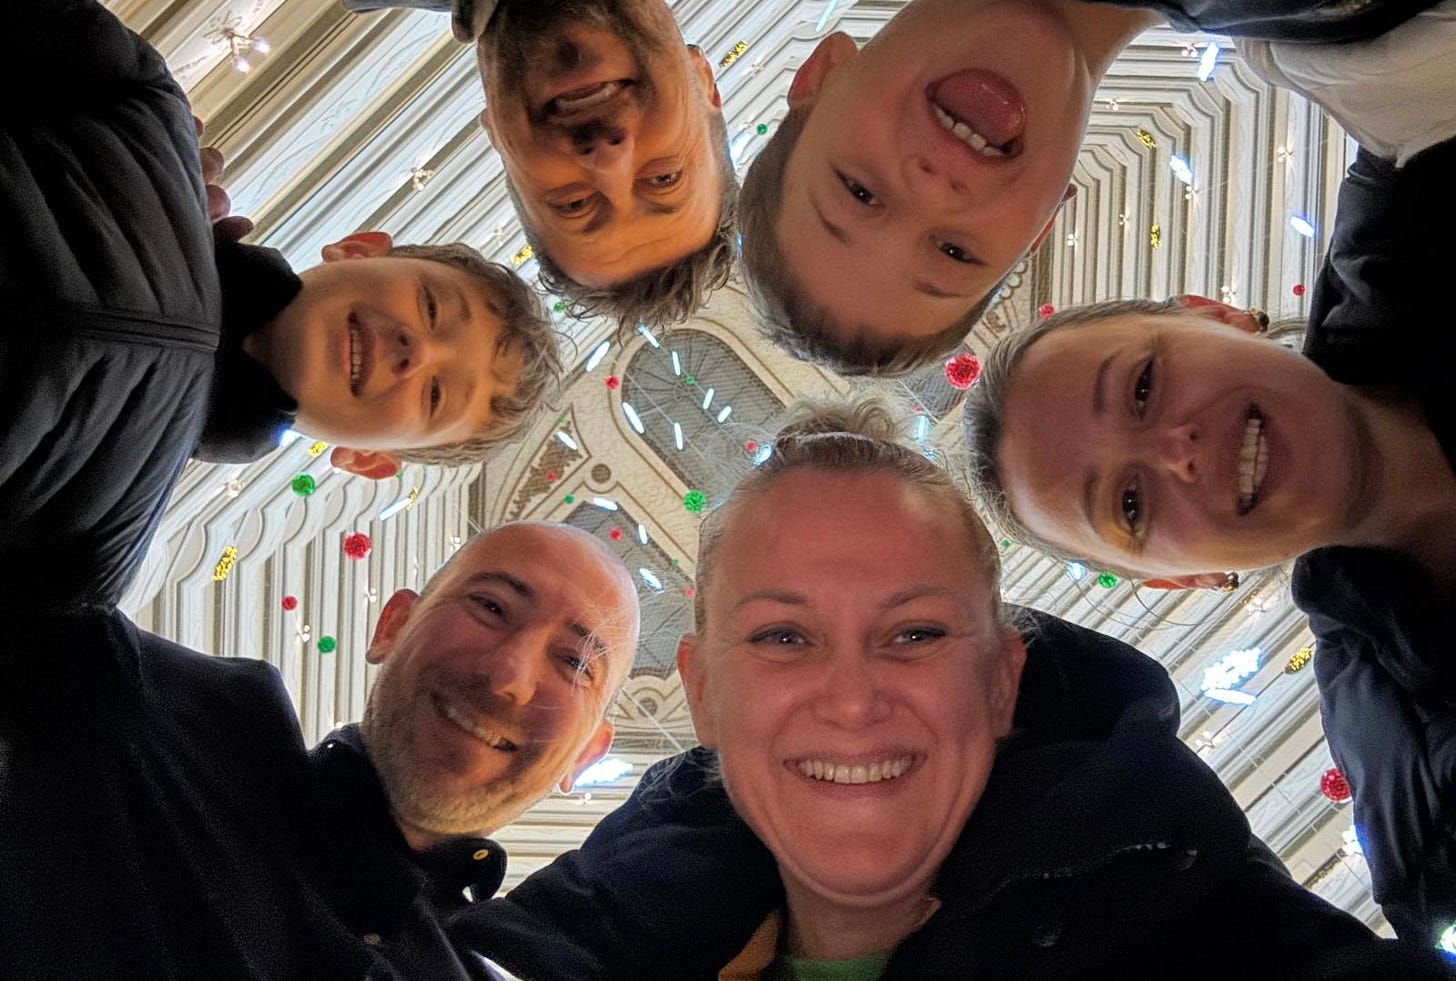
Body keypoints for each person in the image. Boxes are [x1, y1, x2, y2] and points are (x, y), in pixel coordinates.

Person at [452, 401, 1455, 979]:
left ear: (1001, 679)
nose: (852, 700)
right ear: (704, 695)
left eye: (915, 633)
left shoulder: (1187, 910)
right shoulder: (538, 949)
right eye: (784, 636)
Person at [961, 133, 1456, 944]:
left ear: (1210, 313)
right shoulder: (1429, 816)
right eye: (1129, 503)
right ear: (1180, 577)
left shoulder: (1421, 172)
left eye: (1143, 386)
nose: (1178, 452)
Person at [0, 0, 558, 607]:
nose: (416, 352)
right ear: (360, 247)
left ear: (368, 460)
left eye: (437, 395)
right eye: (433, 308)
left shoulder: (91, 560)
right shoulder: (148, 114)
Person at [736, 0, 1456, 375]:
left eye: (859, 192)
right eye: (955, 252)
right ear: (1042, 226)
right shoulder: (1358, 44)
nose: (933, 189)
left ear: (821, 74)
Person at [100, 0, 774, 327]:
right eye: (664, 177)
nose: (608, 157)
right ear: (704, 83)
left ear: (497, 137)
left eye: (573, 203)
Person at [0, 519, 641, 980]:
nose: (508, 675)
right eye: (490, 606)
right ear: (393, 625)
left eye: (575, 663)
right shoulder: (169, 715)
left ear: (586, 755)